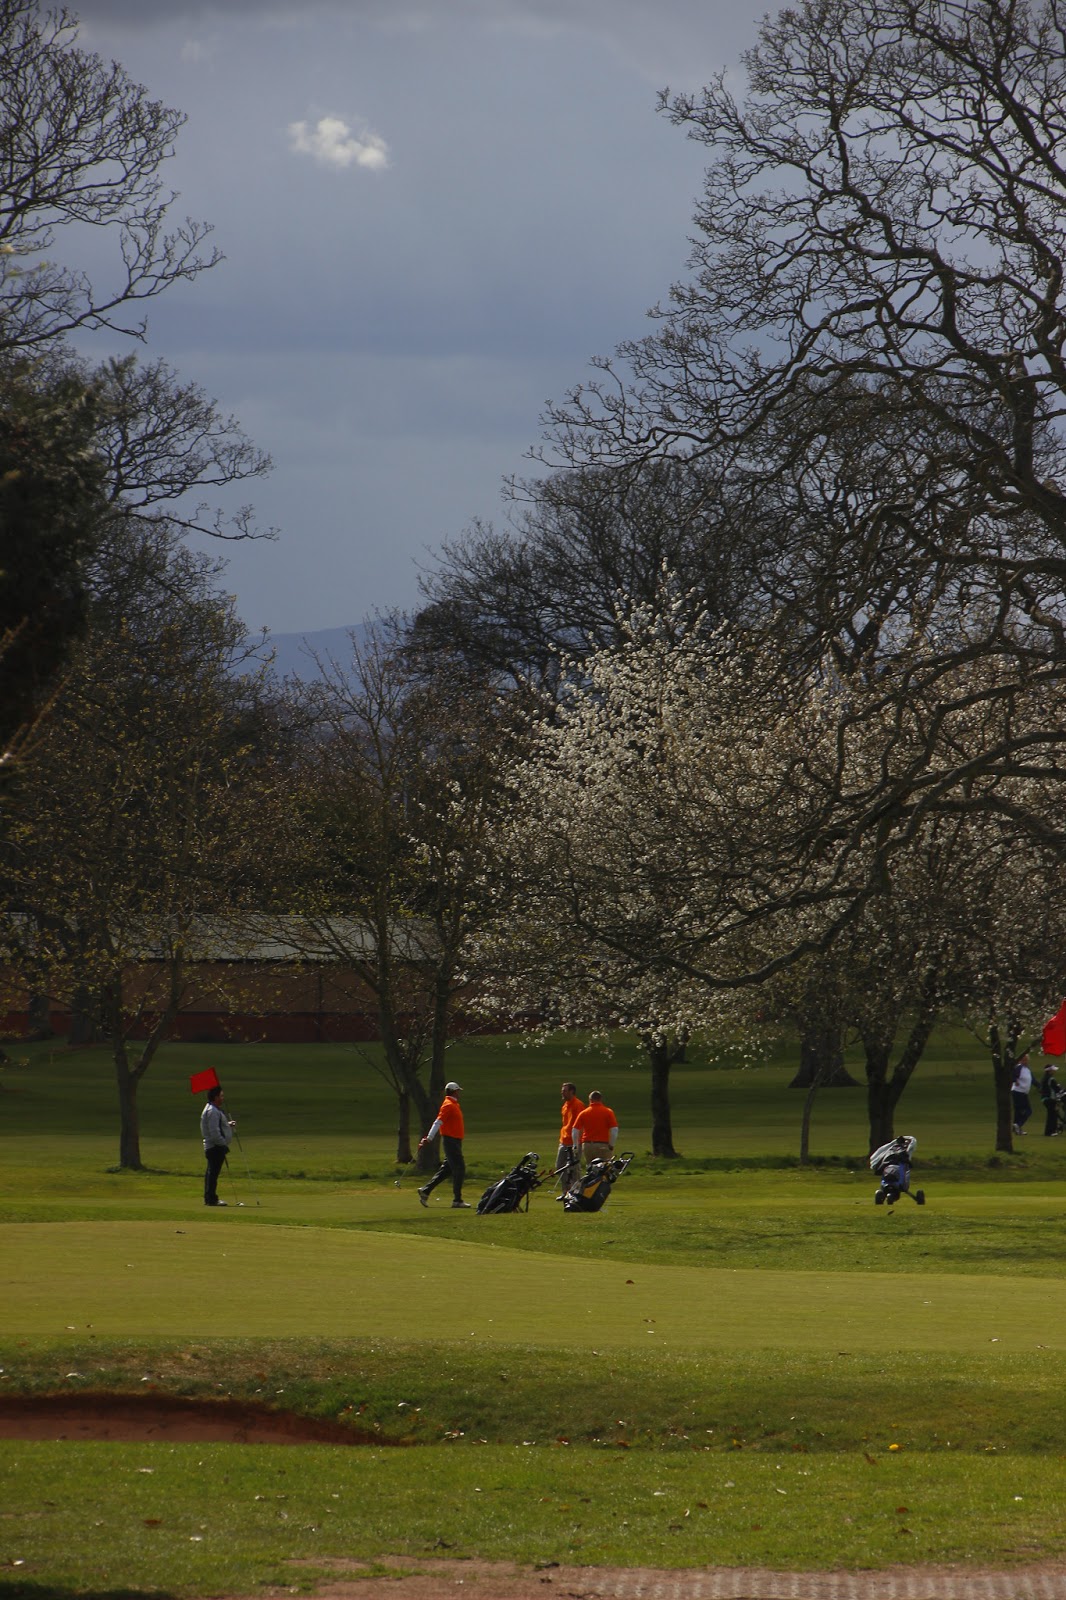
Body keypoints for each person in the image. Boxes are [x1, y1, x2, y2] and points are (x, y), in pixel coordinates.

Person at [417, 1082, 470, 1208]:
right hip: (451, 1141)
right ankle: (457, 1200)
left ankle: (426, 1190)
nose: (459, 1093)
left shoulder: (453, 1104)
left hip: (455, 1141)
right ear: (454, 1091)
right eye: (458, 1091)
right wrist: (429, 1137)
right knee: (459, 1168)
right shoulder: (448, 1105)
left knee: (447, 1170)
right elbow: (438, 1122)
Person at [201, 1084, 235, 1207]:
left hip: (215, 1146)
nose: (222, 1098)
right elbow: (214, 1132)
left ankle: (209, 1197)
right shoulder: (212, 1111)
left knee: (212, 1173)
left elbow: (218, 1126)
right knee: (213, 1174)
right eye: (221, 1096)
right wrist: (223, 1144)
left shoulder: (214, 1110)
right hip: (215, 1147)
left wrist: (227, 1124)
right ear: (215, 1097)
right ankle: (211, 1199)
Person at [573, 1089, 618, 1169]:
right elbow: (614, 1130)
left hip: (587, 1145)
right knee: (605, 1169)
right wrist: (611, 1144)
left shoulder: (584, 1113)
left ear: (590, 1100)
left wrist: (575, 1145)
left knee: (590, 1168)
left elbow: (575, 1130)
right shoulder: (608, 1112)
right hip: (603, 1145)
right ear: (600, 1099)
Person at [556, 1081, 585, 1191]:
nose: (562, 1093)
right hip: (564, 1140)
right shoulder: (565, 1106)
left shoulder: (578, 1105)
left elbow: (581, 1125)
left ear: (571, 1091)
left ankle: (577, 1191)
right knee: (559, 1166)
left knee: (574, 1169)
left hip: (574, 1142)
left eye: (564, 1091)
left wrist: (577, 1142)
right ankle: (566, 1190)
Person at [1011, 1053, 1033, 1135]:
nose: (1025, 1061)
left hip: (1023, 1093)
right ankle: (1018, 1125)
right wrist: (1015, 1080)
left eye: (1026, 1060)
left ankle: (1016, 1128)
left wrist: (1039, 1086)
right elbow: (1012, 1074)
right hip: (1018, 1092)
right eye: (1024, 1060)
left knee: (1019, 1111)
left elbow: (1032, 1079)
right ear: (1020, 1060)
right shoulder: (1019, 1067)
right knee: (1028, 1111)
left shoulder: (1027, 1069)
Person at [1039, 1060, 1063, 1136]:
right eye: (1053, 1070)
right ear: (1049, 1071)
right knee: (1052, 1115)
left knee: (1052, 1114)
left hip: (1045, 1099)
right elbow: (1057, 1089)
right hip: (1050, 1099)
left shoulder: (1044, 1078)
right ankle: (1050, 1132)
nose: (1054, 1071)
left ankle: (1050, 1131)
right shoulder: (1051, 1079)